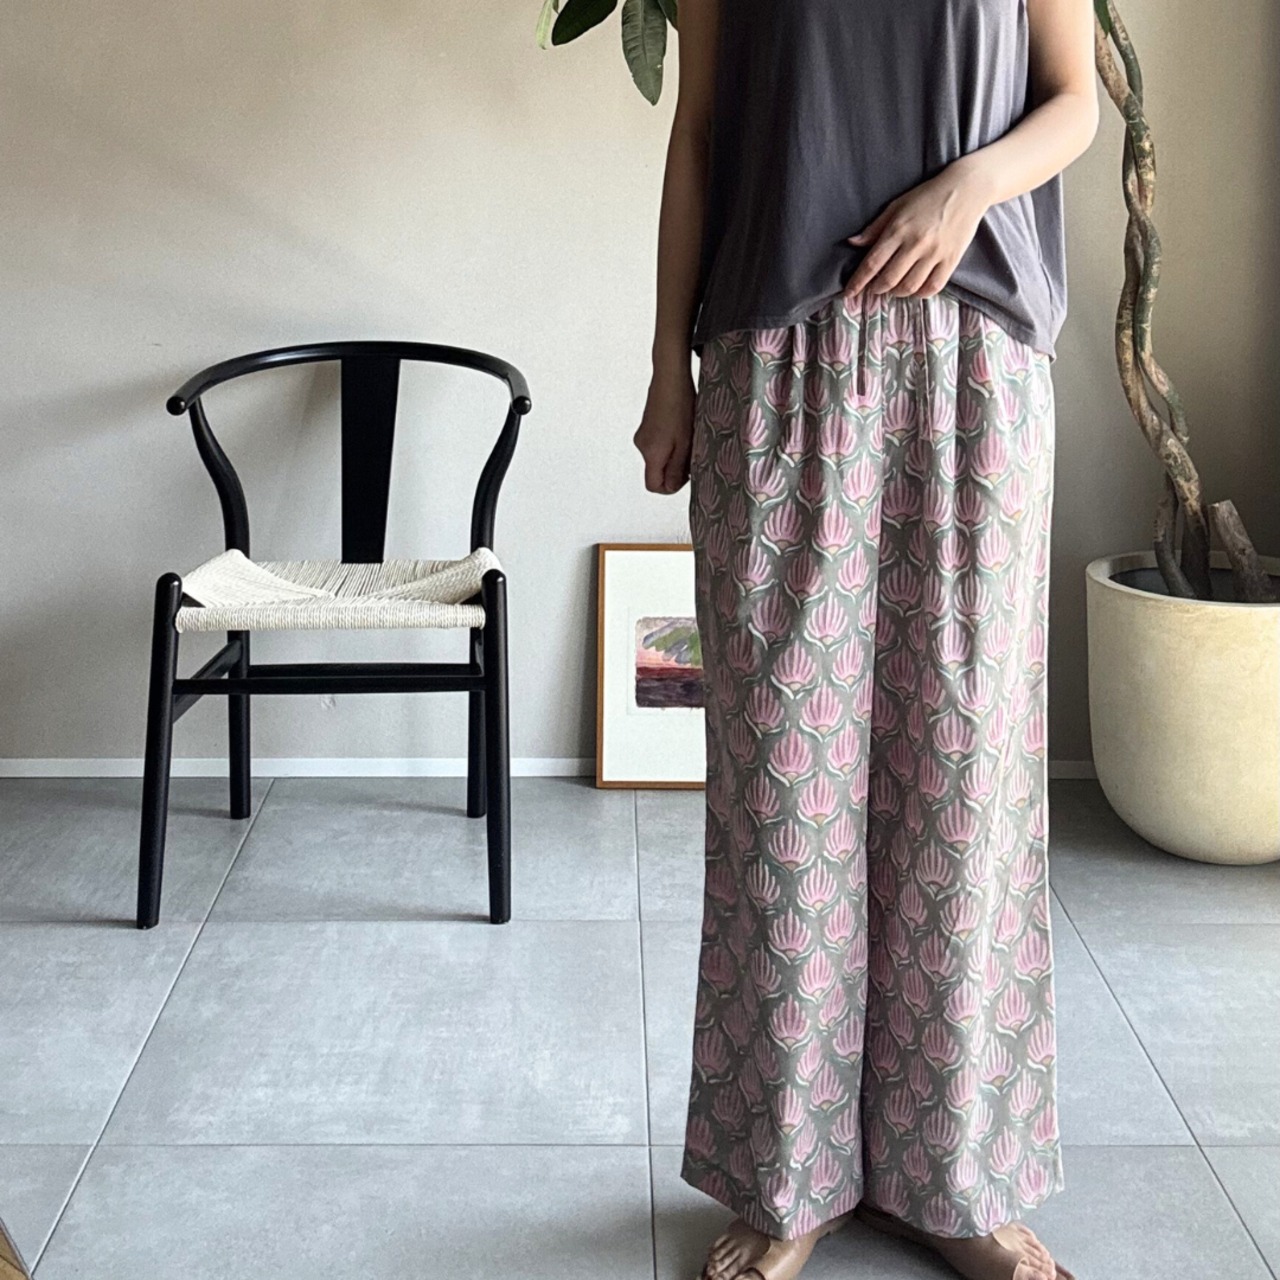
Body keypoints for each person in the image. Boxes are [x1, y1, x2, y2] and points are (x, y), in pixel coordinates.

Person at [632, 2, 1100, 1279]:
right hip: (773, 363)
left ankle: (953, 1182)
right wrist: (668, 365)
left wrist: (967, 188)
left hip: (974, 360)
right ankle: (788, 1179)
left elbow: (1073, 96)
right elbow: (699, 133)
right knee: (782, 794)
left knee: (961, 791)